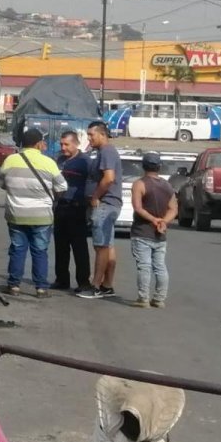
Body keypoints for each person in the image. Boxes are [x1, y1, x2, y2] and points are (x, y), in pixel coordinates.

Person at [0, 128, 67, 297]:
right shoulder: (49, 163)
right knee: (40, 251)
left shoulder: (10, 161)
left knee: (17, 249)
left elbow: (0, 182)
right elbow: (62, 187)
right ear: (38, 144)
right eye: (43, 141)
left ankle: (14, 285)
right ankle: (41, 288)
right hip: (41, 216)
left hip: (16, 214)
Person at [77, 121, 123, 300]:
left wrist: (95, 196)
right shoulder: (103, 152)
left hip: (105, 203)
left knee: (101, 246)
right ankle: (107, 285)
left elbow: (109, 178)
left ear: (102, 134)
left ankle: (95, 285)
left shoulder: (107, 151)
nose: (89, 138)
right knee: (108, 245)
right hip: (108, 204)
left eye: (91, 135)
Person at [129, 152, 176, 308]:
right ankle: (159, 298)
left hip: (142, 232)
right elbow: (173, 209)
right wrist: (163, 221)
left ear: (143, 166)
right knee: (160, 266)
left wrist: (153, 220)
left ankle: (143, 298)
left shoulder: (139, 184)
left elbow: (138, 208)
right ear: (159, 167)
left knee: (144, 266)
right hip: (160, 234)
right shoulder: (167, 185)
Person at [53, 131, 91, 292]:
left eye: (67, 144)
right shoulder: (59, 160)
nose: (63, 148)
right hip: (60, 208)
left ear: (76, 144)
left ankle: (83, 282)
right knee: (60, 247)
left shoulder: (85, 162)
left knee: (79, 247)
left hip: (77, 209)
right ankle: (62, 280)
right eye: (61, 144)